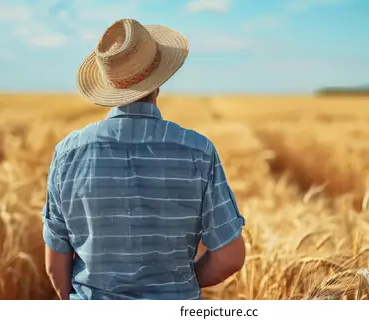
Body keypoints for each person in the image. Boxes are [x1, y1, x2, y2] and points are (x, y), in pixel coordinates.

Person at [41, 18, 246, 300]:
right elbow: (230, 257)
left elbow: (55, 263)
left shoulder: (67, 153)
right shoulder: (198, 151)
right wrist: (180, 285)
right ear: (158, 82)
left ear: (108, 84)